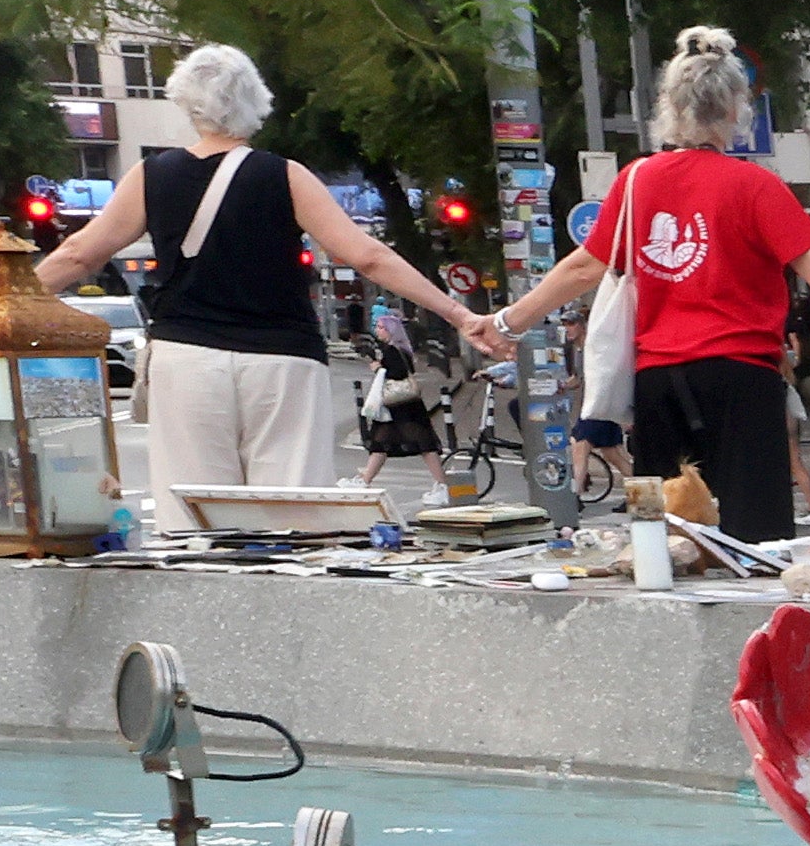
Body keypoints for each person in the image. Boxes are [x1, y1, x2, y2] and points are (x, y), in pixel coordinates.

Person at [37, 45, 510, 533]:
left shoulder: (151, 176)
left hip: (188, 357)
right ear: (256, 104)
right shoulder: (285, 175)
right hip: (283, 360)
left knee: (194, 519)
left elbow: (80, 255)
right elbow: (368, 256)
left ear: (185, 102)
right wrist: (460, 316)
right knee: (294, 515)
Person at [499, 32, 810, 541]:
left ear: (668, 107)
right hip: (741, 380)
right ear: (736, 109)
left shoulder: (635, 182)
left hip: (658, 381)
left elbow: (582, 269)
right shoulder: (757, 186)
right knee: (756, 537)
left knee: (666, 540)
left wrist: (507, 322)